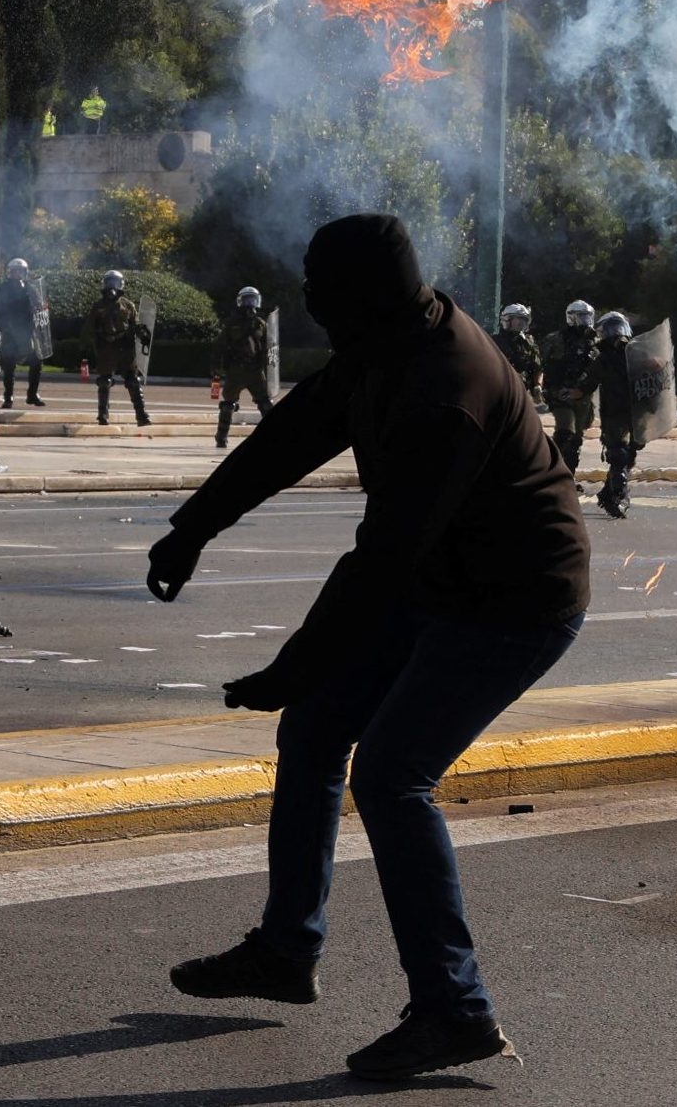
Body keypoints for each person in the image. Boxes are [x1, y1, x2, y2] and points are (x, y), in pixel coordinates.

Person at [148, 214, 589, 1082]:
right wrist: (190, 528)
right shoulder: (382, 344)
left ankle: (454, 1011)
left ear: (359, 297)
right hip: (439, 584)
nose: (306, 303)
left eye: (319, 289)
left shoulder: (444, 388)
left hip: (515, 602)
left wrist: (293, 665)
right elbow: (291, 435)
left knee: (390, 774)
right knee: (313, 732)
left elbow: (382, 560)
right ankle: (285, 952)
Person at [592, 311, 642, 519]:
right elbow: (589, 380)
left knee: (628, 455)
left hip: (635, 413)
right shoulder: (602, 357)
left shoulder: (636, 352)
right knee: (619, 454)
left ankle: (607, 494)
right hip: (615, 413)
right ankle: (619, 497)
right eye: (611, 329)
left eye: (617, 328)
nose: (615, 334)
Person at [213, 285, 274, 449]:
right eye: (247, 300)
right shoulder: (231, 323)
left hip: (255, 370)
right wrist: (217, 369)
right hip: (236, 370)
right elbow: (220, 347)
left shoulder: (260, 324)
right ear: (240, 302)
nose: (250, 303)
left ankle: (274, 436)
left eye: (253, 300)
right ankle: (221, 438)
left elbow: (269, 346)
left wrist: (269, 367)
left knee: (266, 404)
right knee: (228, 405)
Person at [89, 269, 152, 427]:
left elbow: (135, 323)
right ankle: (103, 415)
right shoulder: (98, 306)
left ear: (121, 284)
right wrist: (86, 348)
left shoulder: (127, 305)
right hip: (106, 347)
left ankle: (141, 415)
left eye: (115, 282)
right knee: (104, 381)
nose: (112, 286)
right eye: (109, 282)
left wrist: (142, 333)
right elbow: (89, 327)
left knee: (133, 381)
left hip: (125, 347)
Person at [541, 300, 598, 473]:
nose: (585, 320)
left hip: (582, 394)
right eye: (581, 316)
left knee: (576, 439)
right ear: (571, 317)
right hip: (560, 393)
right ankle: (551, 471)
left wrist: (582, 390)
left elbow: (599, 370)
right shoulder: (556, 339)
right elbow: (542, 366)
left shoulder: (595, 341)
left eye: (588, 316)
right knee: (565, 431)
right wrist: (550, 390)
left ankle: (568, 475)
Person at [0, 257, 47, 409]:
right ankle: (8, 396)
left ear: (25, 272)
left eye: (20, 271)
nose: (18, 274)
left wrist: (39, 307)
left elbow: (39, 307)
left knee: (36, 361)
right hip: (9, 331)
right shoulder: (3, 288)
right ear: (10, 272)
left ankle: (32, 394)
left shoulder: (30, 288)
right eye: (15, 271)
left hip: (27, 332)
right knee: (9, 364)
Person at [493, 303, 542, 403]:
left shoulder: (529, 342)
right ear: (507, 320)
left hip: (522, 394)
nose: (521, 323)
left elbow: (537, 367)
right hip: (499, 393)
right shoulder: (495, 341)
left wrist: (537, 386)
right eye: (518, 319)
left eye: (524, 320)